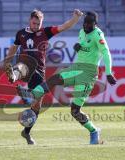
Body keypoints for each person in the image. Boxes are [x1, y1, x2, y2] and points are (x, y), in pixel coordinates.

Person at [17, 11, 117, 144]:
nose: (86, 26)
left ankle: (94, 131)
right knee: (54, 79)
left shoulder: (98, 35)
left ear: (95, 24)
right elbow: (86, 49)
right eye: (85, 23)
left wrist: (109, 72)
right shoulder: (82, 32)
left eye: (89, 24)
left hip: (88, 74)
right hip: (76, 68)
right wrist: (78, 48)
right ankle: (31, 94)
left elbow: (106, 52)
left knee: (75, 111)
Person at [4, 9, 83, 145]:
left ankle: (26, 132)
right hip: (24, 66)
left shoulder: (46, 32)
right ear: (30, 21)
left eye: (38, 23)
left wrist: (75, 18)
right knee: (23, 66)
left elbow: (64, 27)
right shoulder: (21, 33)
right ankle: (14, 75)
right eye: (34, 23)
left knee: (36, 108)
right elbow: (14, 47)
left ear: (42, 22)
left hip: (39, 72)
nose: (36, 26)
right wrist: (7, 61)